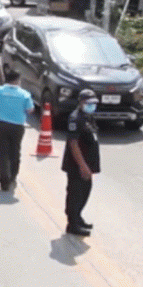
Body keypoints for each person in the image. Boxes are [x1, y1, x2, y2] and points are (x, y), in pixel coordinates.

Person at [61, 89, 101, 236]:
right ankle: (72, 224)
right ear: (82, 102)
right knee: (75, 193)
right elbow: (73, 143)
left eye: (94, 103)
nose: (92, 106)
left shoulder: (88, 117)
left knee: (85, 191)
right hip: (77, 165)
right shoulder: (75, 118)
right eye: (89, 103)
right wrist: (83, 166)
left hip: (88, 163)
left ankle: (78, 217)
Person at [0, 70, 35, 191]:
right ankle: (13, 177)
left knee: (1, 153)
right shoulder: (25, 94)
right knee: (15, 152)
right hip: (18, 127)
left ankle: (4, 179)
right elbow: (30, 110)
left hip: (2, 125)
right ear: (18, 81)